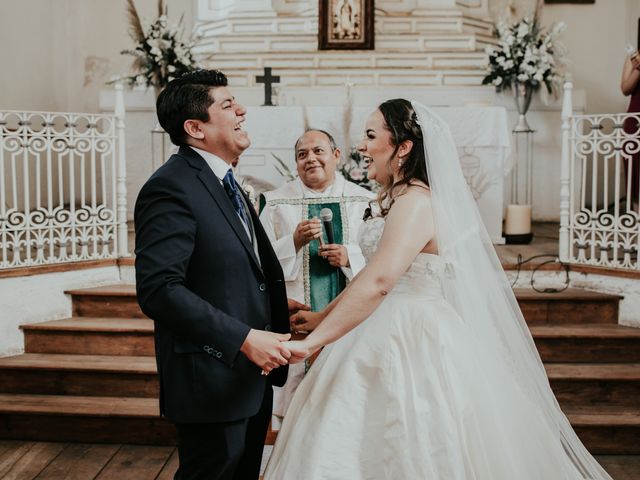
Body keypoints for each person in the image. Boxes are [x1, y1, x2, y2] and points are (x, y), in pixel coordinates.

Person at [264, 99, 613, 479]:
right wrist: (319, 318)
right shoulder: (397, 199)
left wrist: (310, 345)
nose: (361, 147)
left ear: (403, 146)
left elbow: (380, 282)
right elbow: (371, 278)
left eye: (370, 135)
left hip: (413, 333)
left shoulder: (415, 202)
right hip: (380, 323)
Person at [134, 69, 307, 480]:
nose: (242, 110)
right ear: (195, 127)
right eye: (227, 105)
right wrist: (244, 339)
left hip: (247, 378)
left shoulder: (226, 181)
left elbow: (227, 268)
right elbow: (159, 290)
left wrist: (272, 306)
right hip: (210, 378)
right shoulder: (171, 187)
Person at [258, 129, 374, 427]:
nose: (310, 159)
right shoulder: (274, 204)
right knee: (297, 410)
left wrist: (350, 257)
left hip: (353, 321)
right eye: (302, 154)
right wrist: (293, 242)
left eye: (318, 151)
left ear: (336, 156)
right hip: (297, 318)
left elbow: (385, 256)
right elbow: (257, 262)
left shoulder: (366, 201)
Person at [621, 48, 640, 211]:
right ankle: (637, 218)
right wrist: (638, 69)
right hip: (635, 119)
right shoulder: (634, 55)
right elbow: (625, 89)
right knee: (635, 169)